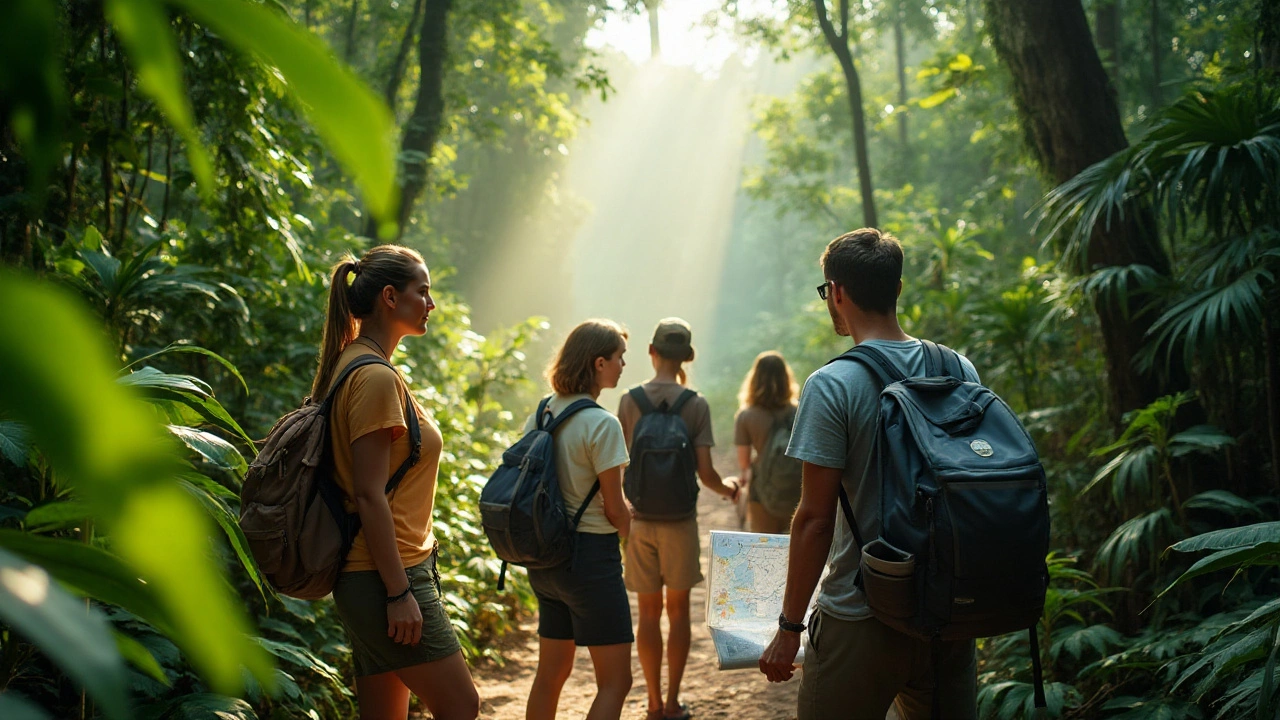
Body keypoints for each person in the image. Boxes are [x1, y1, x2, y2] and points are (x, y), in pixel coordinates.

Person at [758, 229, 981, 719]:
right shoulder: (959, 368)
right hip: (947, 609)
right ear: (897, 289)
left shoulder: (833, 384)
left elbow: (814, 520)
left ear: (836, 292)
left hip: (861, 614)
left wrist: (789, 626)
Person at [315, 245, 480, 720]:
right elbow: (368, 493)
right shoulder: (373, 378)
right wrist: (398, 592)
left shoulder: (357, 364)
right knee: (461, 706)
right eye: (422, 292)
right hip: (385, 574)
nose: (431, 304)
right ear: (390, 296)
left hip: (379, 571)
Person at [616, 318, 741, 720]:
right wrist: (731, 489)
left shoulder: (629, 400)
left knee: (648, 614)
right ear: (687, 356)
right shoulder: (696, 403)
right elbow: (706, 475)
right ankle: (672, 702)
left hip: (639, 519)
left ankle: (651, 703)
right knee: (678, 612)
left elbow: (619, 465)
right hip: (680, 523)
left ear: (651, 352)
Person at [523, 319, 634, 720]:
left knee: (550, 673)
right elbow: (613, 507)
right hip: (591, 560)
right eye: (620, 357)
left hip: (546, 558)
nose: (624, 365)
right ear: (599, 362)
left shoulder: (542, 413)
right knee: (617, 682)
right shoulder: (603, 423)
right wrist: (630, 535)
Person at [734, 350, 801, 534]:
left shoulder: (746, 416)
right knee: (794, 549)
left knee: (764, 549)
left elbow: (744, 463)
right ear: (786, 377)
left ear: (754, 378)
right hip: (797, 491)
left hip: (762, 493)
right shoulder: (800, 411)